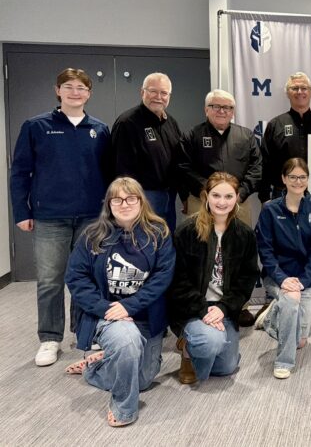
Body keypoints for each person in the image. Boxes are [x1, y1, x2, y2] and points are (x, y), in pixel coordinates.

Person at [10, 68, 111, 367]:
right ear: (58, 91)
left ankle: (84, 332)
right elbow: (20, 172)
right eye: (69, 87)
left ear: (89, 93)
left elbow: (109, 174)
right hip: (50, 217)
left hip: (92, 217)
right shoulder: (36, 126)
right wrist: (22, 211)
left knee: (88, 278)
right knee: (50, 280)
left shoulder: (100, 129)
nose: (75, 92)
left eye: (81, 88)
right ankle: (50, 338)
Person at [63, 177, 174, 427]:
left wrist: (129, 306)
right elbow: (76, 278)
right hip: (108, 315)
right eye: (117, 199)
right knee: (127, 340)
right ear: (109, 204)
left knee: (143, 380)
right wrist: (106, 308)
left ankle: (96, 368)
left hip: (145, 316)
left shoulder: (159, 233)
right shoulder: (92, 235)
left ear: (141, 201)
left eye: (131, 198)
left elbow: (163, 277)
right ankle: (124, 408)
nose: (124, 204)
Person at [257, 72, 311, 322]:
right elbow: (266, 162)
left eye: (304, 88)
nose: (300, 92)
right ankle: (272, 299)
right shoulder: (276, 124)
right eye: (295, 88)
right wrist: (265, 196)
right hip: (282, 195)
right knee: (277, 247)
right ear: (288, 93)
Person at [177, 89, 261, 326]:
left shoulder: (246, 136)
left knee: (238, 252)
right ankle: (198, 304)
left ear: (233, 111)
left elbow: (257, 167)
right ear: (207, 109)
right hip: (201, 201)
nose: (222, 111)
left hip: (238, 202)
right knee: (200, 253)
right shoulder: (192, 135)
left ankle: (239, 306)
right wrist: (209, 192)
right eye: (216, 106)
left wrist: (240, 193)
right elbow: (183, 166)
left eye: (228, 107)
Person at [167, 172, 259, 384]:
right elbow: (178, 281)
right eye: (216, 195)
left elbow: (246, 280)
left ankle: (198, 344)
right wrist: (202, 309)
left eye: (228, 196)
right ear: (206, 196)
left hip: (224, 309)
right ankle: (188, 350)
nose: (222, 202)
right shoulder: (186, 231)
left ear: (237, 198)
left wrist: (223, 308)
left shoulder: (244, 235)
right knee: (211, 342)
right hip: (192, 309)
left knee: (227, 367)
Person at [254, 158, 311, 379]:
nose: (298, 181)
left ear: (308, 179)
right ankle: (284, 362)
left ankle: (271, 317)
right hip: (278, 277)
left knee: (301, 341)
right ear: (284, 179)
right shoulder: (270, 210)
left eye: (302, 177)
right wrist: (283, 279)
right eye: (293, 177)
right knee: (291, 300)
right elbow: (265, 251)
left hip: (304, 279)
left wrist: (302, 282)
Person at [111, 72, 183, 232]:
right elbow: (120, 168)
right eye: (153, 91)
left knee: (165, 240)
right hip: (142, 197)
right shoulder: (127, 123)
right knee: (143, 242)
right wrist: (129, 201)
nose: (158, 97)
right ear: (142, 92)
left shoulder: (171, 122)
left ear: (169, 96)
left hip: (169, 196)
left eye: (164, 93)